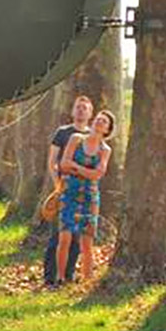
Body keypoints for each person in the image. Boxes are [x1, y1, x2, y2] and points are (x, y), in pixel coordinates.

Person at [54, 109, 114, 287]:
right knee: (64, 237)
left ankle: (87, 282)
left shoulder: (105, 150)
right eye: (97, 119)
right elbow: (63, 164)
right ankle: (60, 278)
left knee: (87, 241)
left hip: (90, 197)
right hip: (70, 193)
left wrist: (76, 168)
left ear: (107, 130)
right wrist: (84, 171)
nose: (98, 122)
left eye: (104, 122)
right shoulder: (76, 139)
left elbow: (98, 174)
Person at [43, 95, 93, 287]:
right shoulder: (62, 133)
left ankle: (68, 275)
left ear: (90, 113)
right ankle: (50, 277)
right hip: (63, 189)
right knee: (59, 235)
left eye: (85, 108)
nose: (81, 110)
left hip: (84, 192)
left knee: (77, 236)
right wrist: (58, 185)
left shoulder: (92, 136)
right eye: (78, 107)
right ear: (72, 111)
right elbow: (52, 161)